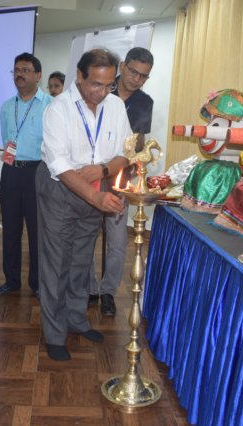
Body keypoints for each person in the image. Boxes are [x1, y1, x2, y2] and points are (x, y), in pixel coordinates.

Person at [37, 48, 132, 360]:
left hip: (96, 186)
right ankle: (54, 333)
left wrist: (103, 171)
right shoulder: (58, 108)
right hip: (61, 188)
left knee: (81, 260)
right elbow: (60, 166)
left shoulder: (116, 106)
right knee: (56, 263)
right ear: (79, 76)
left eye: (109, 85)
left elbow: (126, 151)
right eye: (95, 84)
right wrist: (95, 197)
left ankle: (76, 319)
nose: (102, 92)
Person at [88, 47, 154, 316]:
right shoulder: (101, 88)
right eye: (133, 72)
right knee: (88, 234)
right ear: (123, 66)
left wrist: (135, 161)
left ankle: (107, 292)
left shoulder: (145, 102)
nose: (137, 79)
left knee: (117, 240)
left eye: (143, 76)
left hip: (120, 177)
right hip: (92, 174)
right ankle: (89, 288)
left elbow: (138, 142)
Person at [0, 53, 51, 297]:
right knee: (10, 229)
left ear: (38, 75)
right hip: (10, 171)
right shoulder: (7, 106)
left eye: (25, 70)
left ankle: (37, 283)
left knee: (38, 231)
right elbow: (5, 138)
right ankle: (11, 280)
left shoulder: (50, 105)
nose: (19, 74)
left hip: (37, 172)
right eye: (16, 70)